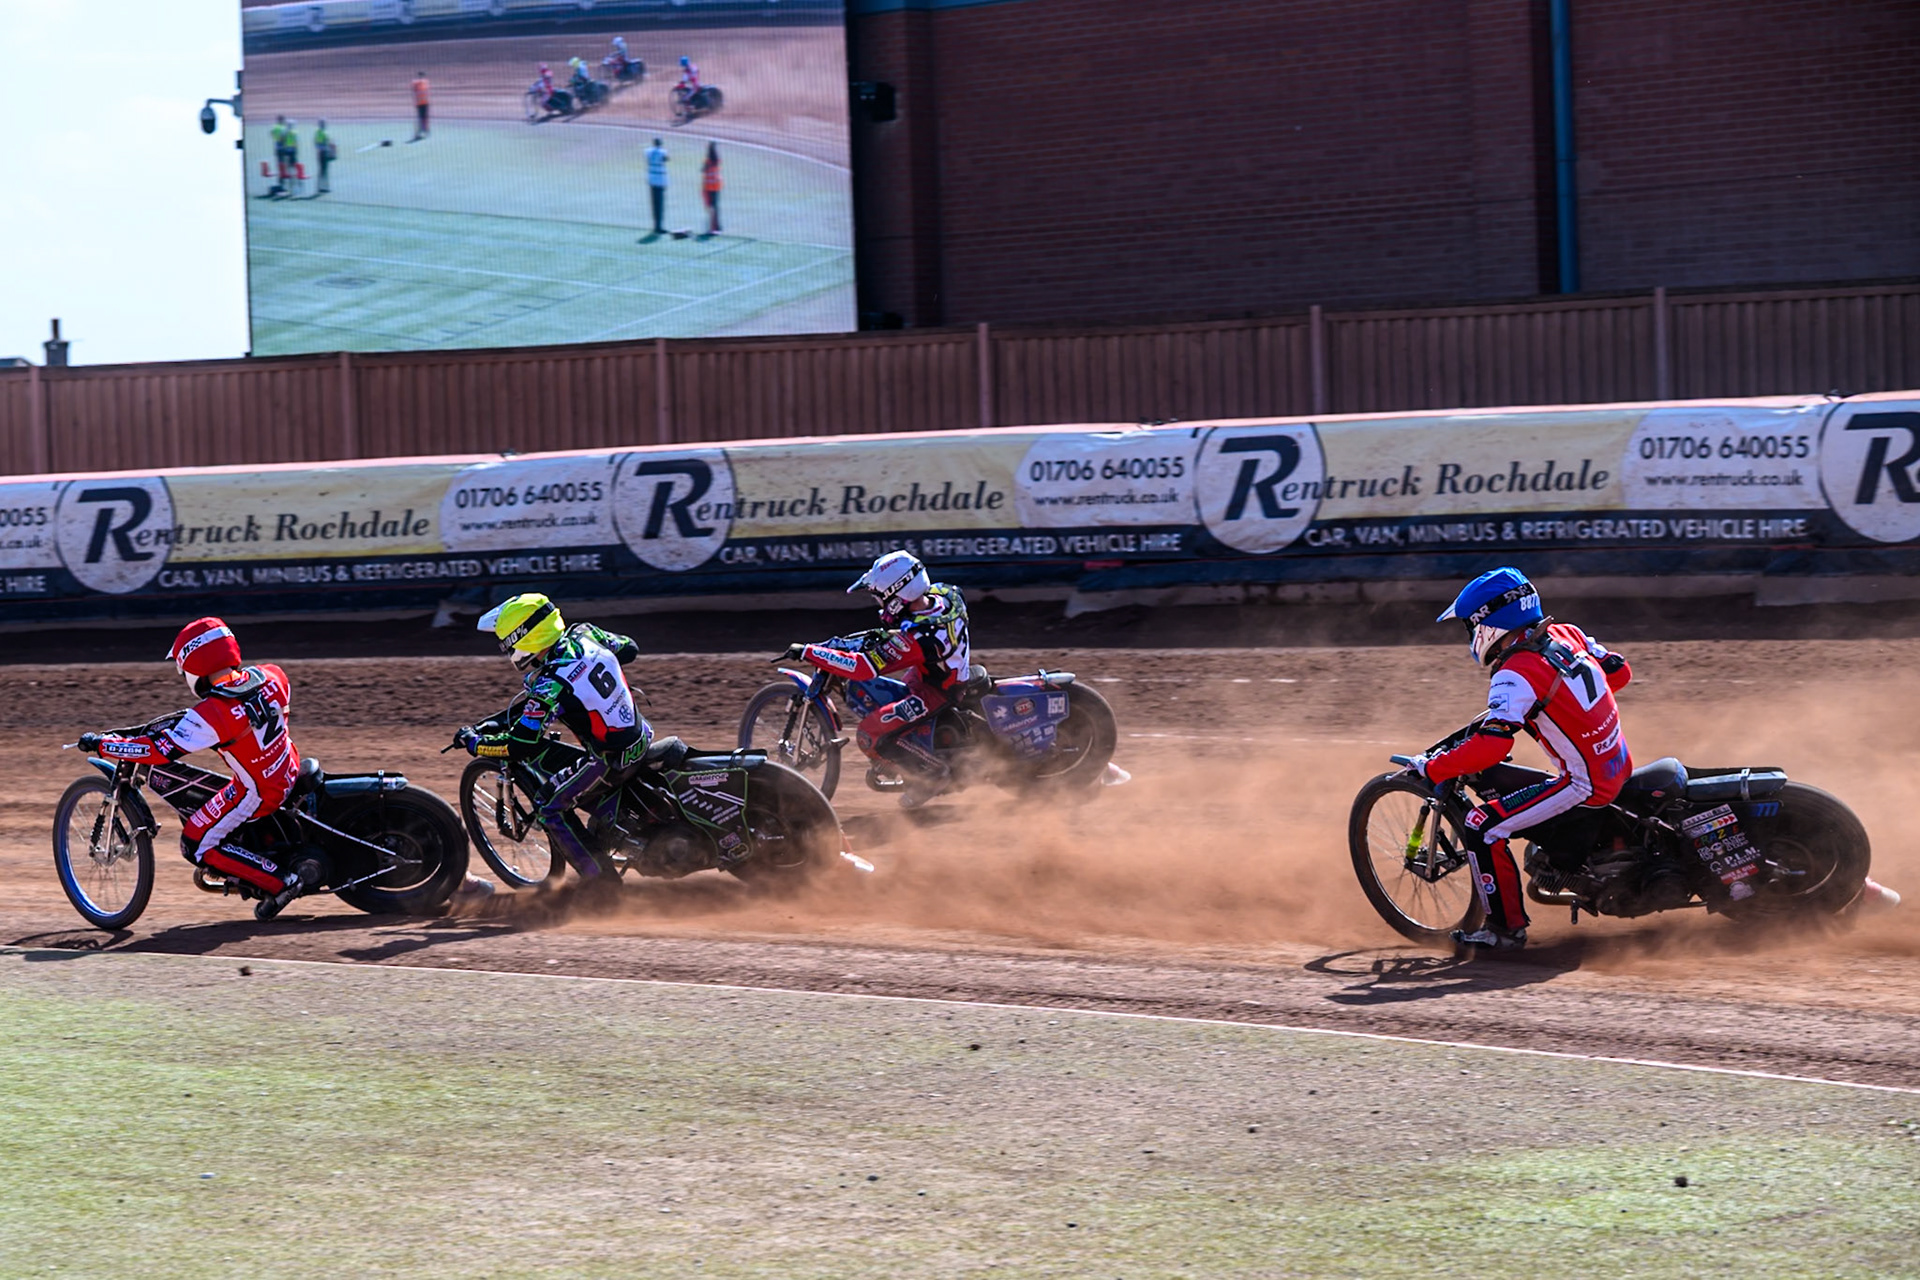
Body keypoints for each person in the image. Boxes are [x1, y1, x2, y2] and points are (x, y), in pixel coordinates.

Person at [1402, 567, 1634, 951]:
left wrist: (1433, 767)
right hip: (1617, 764)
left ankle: (1504, 931)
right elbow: (1619, 672)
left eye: (1468, 627)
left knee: (1481, 825)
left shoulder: (1514, 674)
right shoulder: (1567, 634)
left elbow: (1491, 748)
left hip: (1584, 784)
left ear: (1486, 625)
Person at [81, 618, 311, 921]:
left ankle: (282, 882)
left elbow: (158, 752)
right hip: (288, 767)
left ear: (194, 663)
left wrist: (104, 745)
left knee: (196, 843)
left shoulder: (213, 713)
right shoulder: (271, 675)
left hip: (258, 792)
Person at [458, 594, 652, 885]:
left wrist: (475, 744)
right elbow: (630, 649)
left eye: (507, 642)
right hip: (642, 736)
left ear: (523, 639)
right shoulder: (586, 634)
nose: (506, 648)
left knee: (549, 805)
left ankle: (602, 885)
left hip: (610, 759)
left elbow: (519, 745)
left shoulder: (551, 681)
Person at [791, 552, 972, 809]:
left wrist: (810, 652)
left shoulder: (917, 639)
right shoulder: (947, 594)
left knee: (869, 735)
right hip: (939, 673)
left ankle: (932, 775)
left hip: (935, 692)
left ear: (898, 597)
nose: (879, 603)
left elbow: (863, 667)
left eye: (880, 597)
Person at [644, 137, 668, 236]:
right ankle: (659, 226)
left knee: (654, 203)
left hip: (651, 177)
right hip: (660, 178)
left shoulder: (647, 151)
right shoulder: (663, 151)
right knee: (660, 203)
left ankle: (656, 226)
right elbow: (666, 159)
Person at [700, 142, 722, 236]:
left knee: (711, 208)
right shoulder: (717, 160)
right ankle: (717, 226)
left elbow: (702, 170)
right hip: (716, 186)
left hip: (709, 187)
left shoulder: (707, 162)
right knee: (715, 207)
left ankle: (713, 228)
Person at [313, 119, 334, 194]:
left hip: (319, 152)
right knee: (325, 170)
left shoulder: (317, 132)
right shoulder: (325, 133)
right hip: (324, 152)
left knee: (321, 170)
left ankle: (319, 187)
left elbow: (315, 142)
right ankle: (325, 187)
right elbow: (328, 143)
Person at [410, 70, 431, 141]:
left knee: (425, 118)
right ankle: (420, 131)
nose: (421, 77)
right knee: (420, 118)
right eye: (420, 76)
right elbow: (413, 90)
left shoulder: (426, 82)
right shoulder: (415, 83)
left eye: (422, 75)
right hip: (419, 103)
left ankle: (426, 130)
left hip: (425, 102)